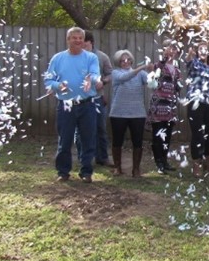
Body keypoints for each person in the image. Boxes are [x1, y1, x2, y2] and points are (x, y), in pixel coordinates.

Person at [43, 26, 102, 183]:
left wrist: (92, 80)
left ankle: (86, 172)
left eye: (80, 38)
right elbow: (48, 80)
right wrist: (58, 86)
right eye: (74, 38)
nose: (77, 40)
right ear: (68, 40)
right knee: (65, 140)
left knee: (88, 139)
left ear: (83, 40)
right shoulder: (58, 59)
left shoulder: (91, 58)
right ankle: (63, 172)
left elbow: (95, 73)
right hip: (66, 104)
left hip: (87, 104)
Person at [109, 50, 153, 177]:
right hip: (118, 113)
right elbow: (125, 77)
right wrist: (141, 68)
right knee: (117, 141)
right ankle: (117, 167)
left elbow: (152, 84)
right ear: (119, 62)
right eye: (123, 60)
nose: (126, 62)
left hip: (137, 113)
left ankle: (136, 169)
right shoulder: (116, 73)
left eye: (128, 60)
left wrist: (152, 73)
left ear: (132, 61)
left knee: (137, 142)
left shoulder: (142, 74)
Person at [147, 39, 182, 174]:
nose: (172, 51)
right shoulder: (158, 65)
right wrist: (164, 58)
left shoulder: (177, 69)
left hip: (170, 105)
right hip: (159, 104)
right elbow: (153, 79)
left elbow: (177, 87)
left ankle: (164, 160)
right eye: (170, 48)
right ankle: (159, 162)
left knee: (167, 134)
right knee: (158, 135)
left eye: (174, 49)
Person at [185, 41, 209, 176]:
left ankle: (207, 160)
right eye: (201, 48)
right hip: (196, 103)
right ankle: (196, 163)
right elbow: (188, 61)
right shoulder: (194, 63)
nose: (203, 51)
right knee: (197, 134)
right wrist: (190, 54)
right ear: (198, 51)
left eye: (206, 49)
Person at [82, 31, 113, 167]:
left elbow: (110, 74)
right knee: (81, 131)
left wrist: (104, 81)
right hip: (80, 98)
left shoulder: (101, 56)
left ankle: (102, 157)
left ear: (91, 42)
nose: (81, 44)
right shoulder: (75, 56)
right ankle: (84, 158)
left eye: (84, 42)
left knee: (100, 128)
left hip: (97, 97)